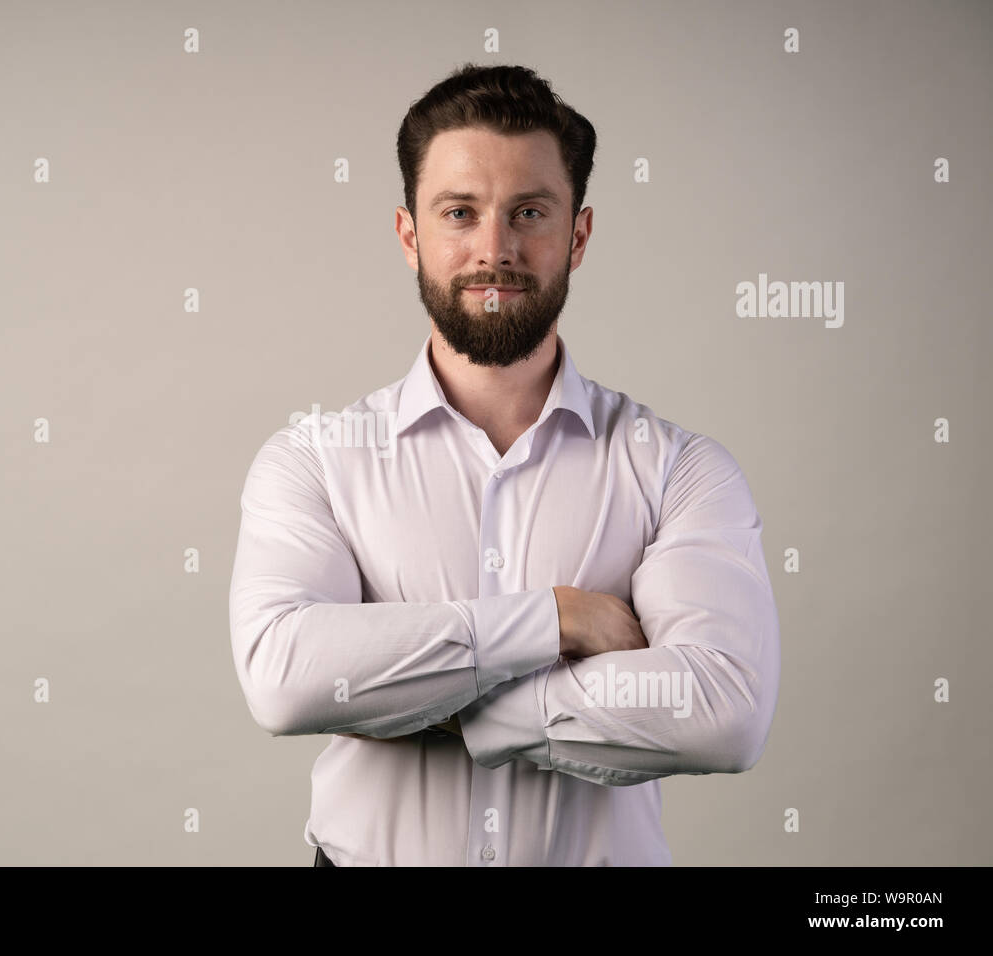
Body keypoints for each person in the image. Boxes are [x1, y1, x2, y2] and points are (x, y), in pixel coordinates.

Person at [229, 63, 780, 866]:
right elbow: (286, 679)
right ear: (409, 234)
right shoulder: (312, 459)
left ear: (578, 235)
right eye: (460, 212)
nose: (496, 250)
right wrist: (554, 620)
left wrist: (444, 702)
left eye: (530, 211)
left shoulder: (679, 470)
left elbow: (724, 712)